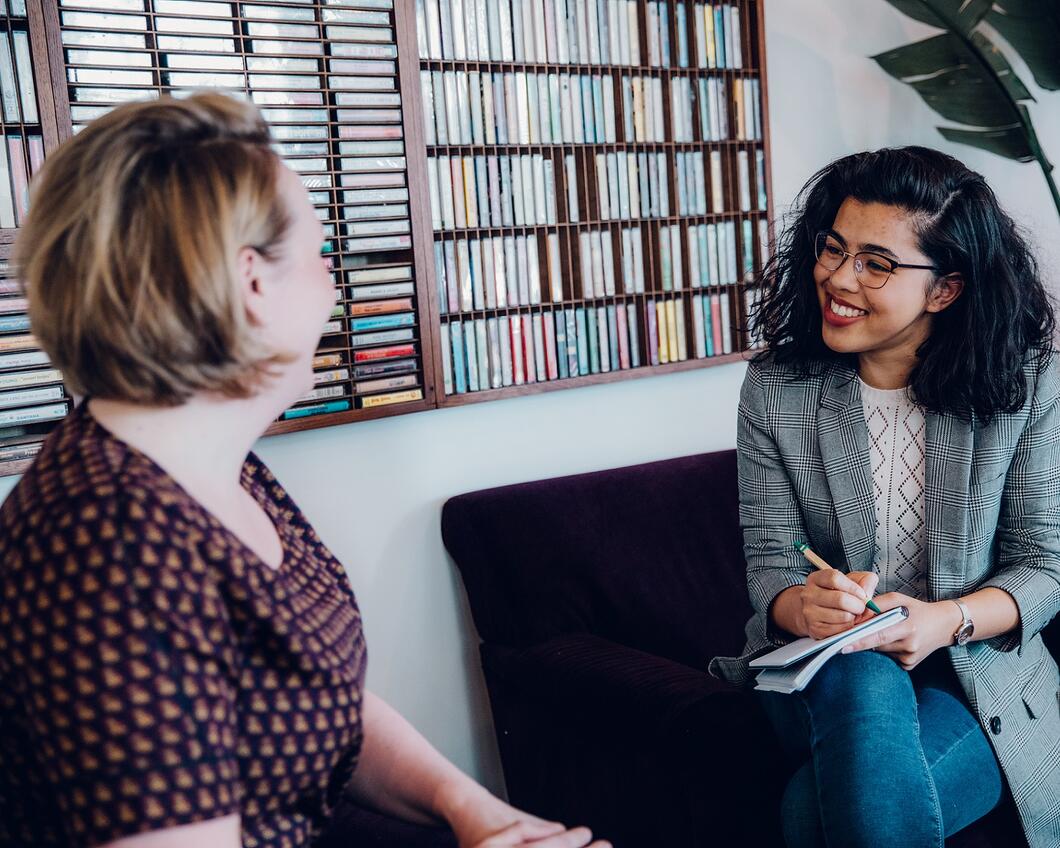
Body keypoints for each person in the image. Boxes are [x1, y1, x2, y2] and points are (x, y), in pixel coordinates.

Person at [0, 92, 608, 848]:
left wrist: (478, 810)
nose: (335, 289)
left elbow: (319, 694)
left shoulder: (215, 464)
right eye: (323, 257)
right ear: (252, 284)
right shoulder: (108, 545)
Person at [709, 146, 1060, 847]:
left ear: (945, 289)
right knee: (863, 677)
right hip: (817, 674)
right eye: (833, 248)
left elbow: (1043, 565)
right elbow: (770, 565)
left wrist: (942, 620)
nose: (837, 279)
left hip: (971, 671)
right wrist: (803, 605)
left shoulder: (1024, 384)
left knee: (813, 815)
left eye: (876, 263)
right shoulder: (777, 389)